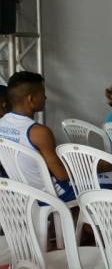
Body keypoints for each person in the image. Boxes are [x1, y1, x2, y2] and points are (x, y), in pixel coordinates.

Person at [0, 72, 75, 201]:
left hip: (20, 194)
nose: (45, 97)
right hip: (50, 195)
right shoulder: (39, 132)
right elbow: (62, 175)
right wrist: (97, 166)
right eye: (42, 92)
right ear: (31, 99)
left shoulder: (2, 123)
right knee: (110, 184)